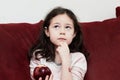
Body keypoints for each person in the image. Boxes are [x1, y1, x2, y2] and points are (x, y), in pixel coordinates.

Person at [28, 7, 88, 80]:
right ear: (47, 31)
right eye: (56, 26)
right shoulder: (39, 57)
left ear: (74, 33)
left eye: (67, 27)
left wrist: (66, 60)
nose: (62, 31)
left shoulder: (78, 58)